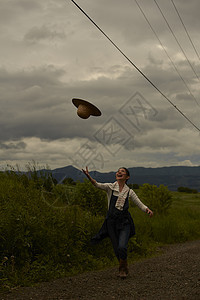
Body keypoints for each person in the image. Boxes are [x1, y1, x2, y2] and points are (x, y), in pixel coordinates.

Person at [82, 166, 153, 279]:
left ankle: (122, 269)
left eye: (122, 171)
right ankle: (124, 267)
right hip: (111, 223)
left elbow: (139, 203)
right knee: (116, 248)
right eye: (118, 171)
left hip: (124, 222)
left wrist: (147, 209)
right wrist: (88, 176)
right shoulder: (110, 187)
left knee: (122, 246)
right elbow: (97, 184)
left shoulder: (129, 191)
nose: (119, 172)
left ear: (127, 177)